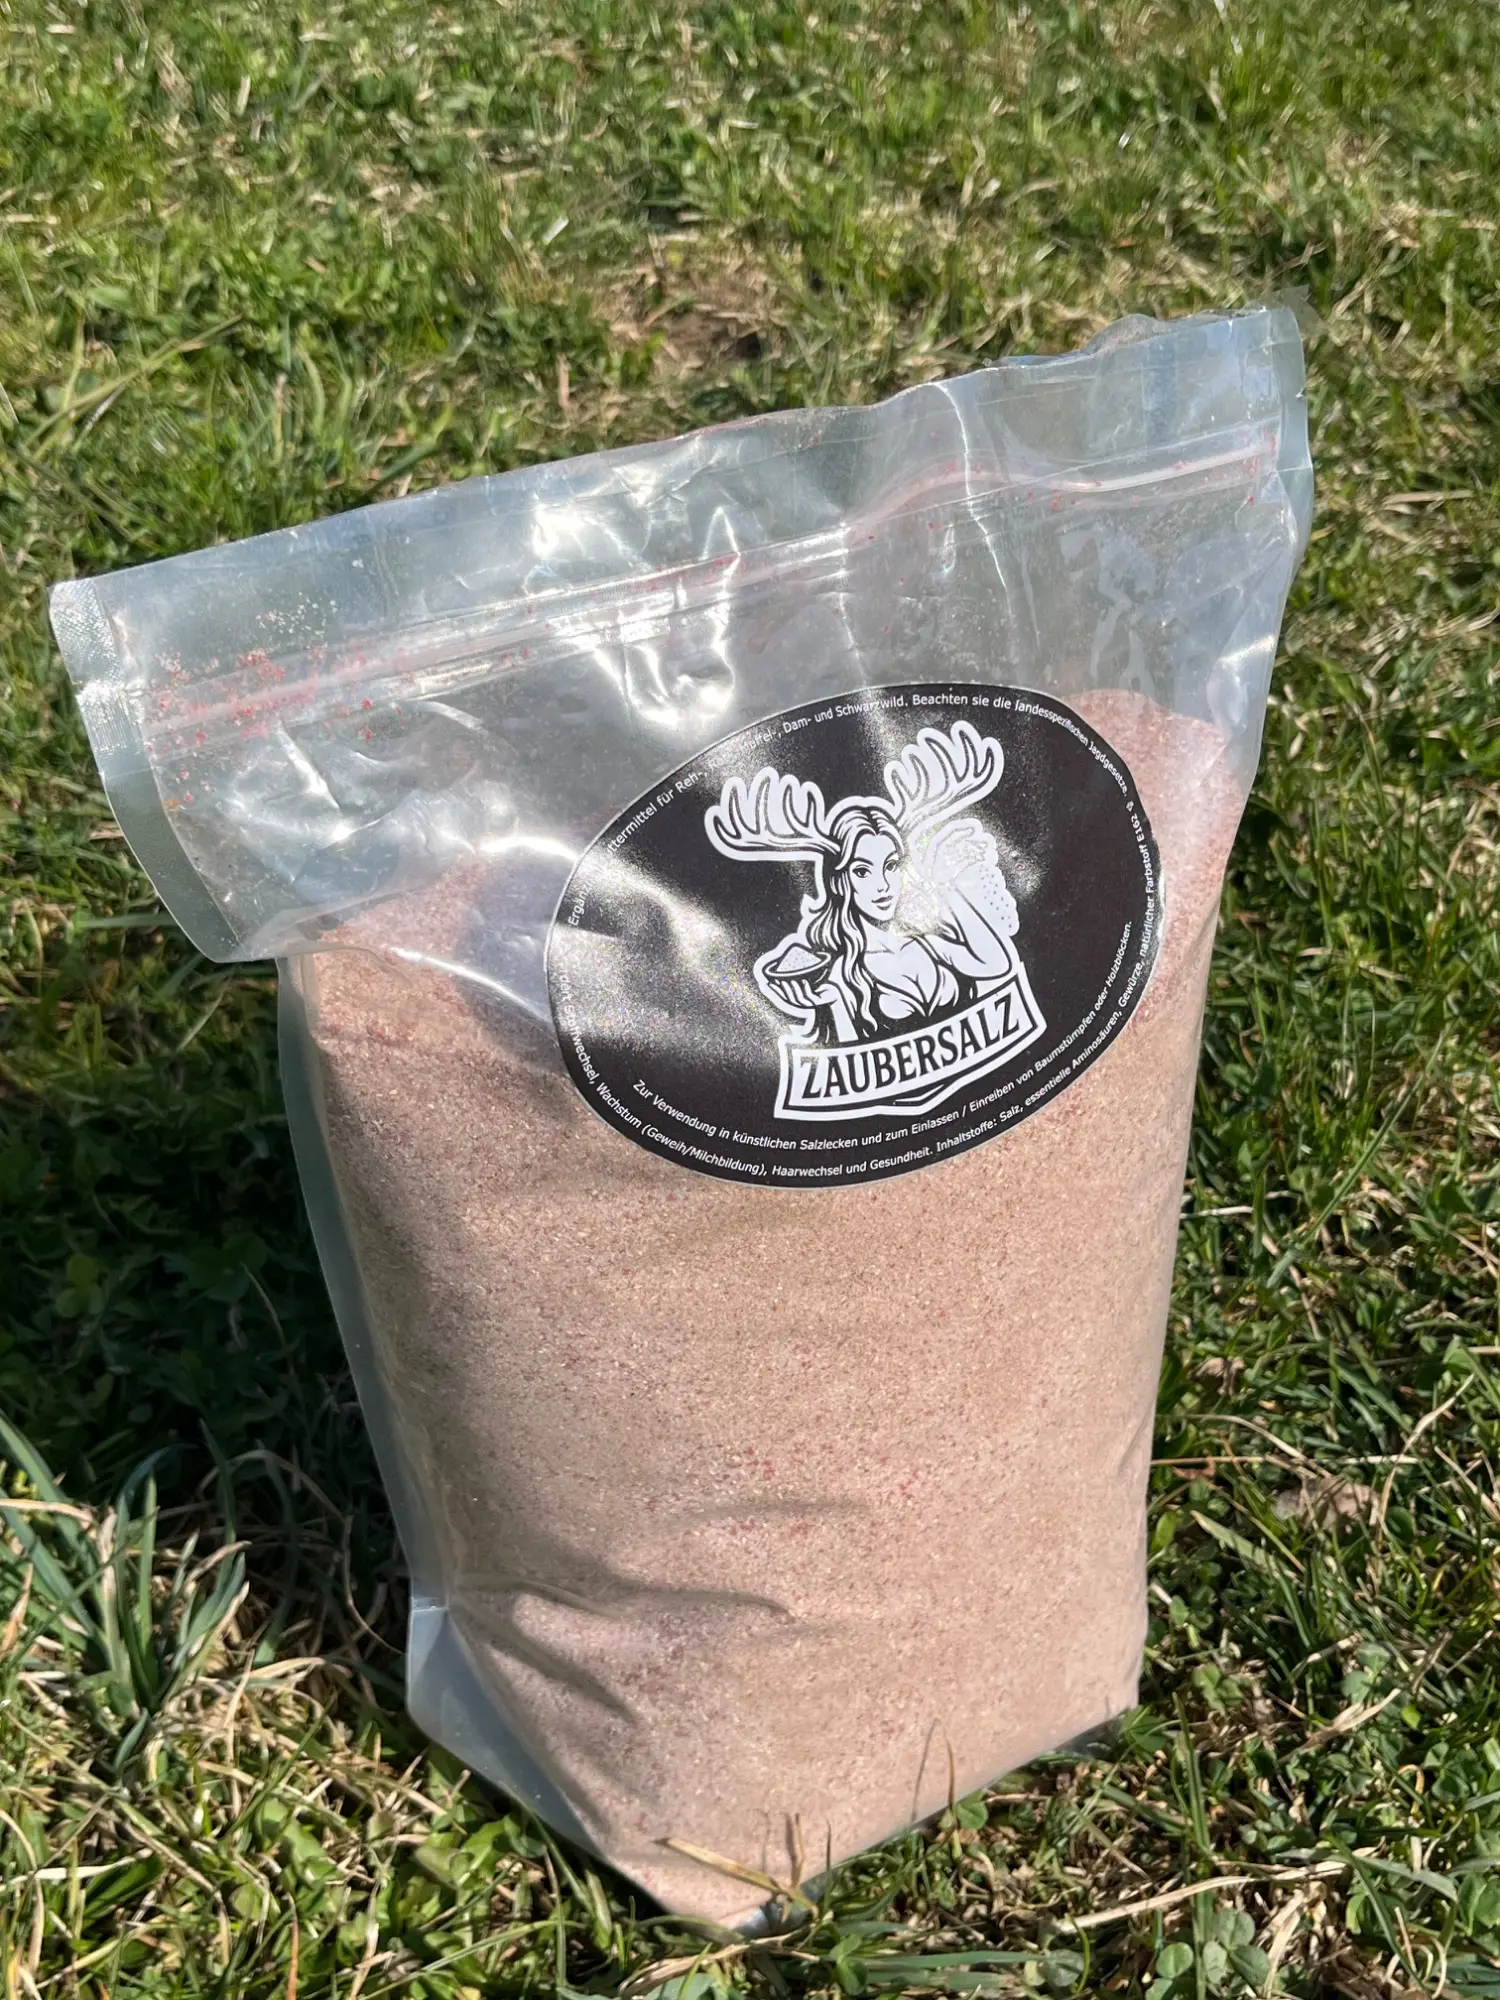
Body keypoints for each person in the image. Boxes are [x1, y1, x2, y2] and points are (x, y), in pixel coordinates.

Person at [758, 798, 1019, 1047]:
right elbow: (851, 1062)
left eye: (891, 866)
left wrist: (947, 885)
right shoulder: (842, 976)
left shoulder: (928, 944)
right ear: (839, 883)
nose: (882, 885)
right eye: (862, 871)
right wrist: (827, 1006)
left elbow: (996, 964)